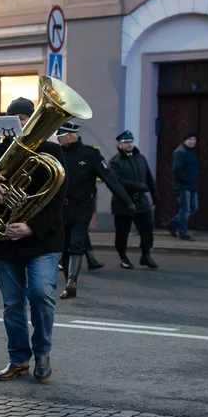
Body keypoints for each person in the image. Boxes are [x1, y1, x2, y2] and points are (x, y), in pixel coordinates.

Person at [0, 96, 66, 384]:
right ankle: (19, 359)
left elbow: (58, 201)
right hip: (4, 241)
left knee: (41, 293)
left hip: (42, 240)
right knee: (12, 304)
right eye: (15, 119)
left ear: (33, 121)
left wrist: (31, 227)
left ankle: (42, 353)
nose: (19, 124)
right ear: (5, 123)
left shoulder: (51, 150)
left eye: (25, 119)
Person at [56, 121, 133, 299]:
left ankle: (71, 283)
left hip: (83, 207)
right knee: (64, 246)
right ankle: (68, 279)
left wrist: (127, 201)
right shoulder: (57, 153)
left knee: (76, 242)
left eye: (60, 135)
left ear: (69, 135)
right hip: (62, 207)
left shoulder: (90, 154)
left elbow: (109, 178)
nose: (58, 139)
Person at [109, 130, 159, 270]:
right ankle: (123, 257)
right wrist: (138, 186)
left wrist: (155, 195)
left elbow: (149, 177)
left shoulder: (140, 158)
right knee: (122, 232)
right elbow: (117, 181)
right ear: (120, 144)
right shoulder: (115, 162)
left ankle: (146, 255)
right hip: (123, 203)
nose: (129, 144)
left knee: (147, 231)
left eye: (131, 142)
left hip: (141, 202)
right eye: (126, 142)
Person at [170, 132, 199, 241]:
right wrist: (187, 180)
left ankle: (171, 224)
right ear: (184, 140)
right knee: (185, 209)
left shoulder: (190, 152)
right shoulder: (180, 152)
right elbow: (177, 169)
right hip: (182, 187)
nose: (192, 142)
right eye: (190, 139)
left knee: (193, 207)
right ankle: (183, 232)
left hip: (191, 186)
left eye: (194, 139)